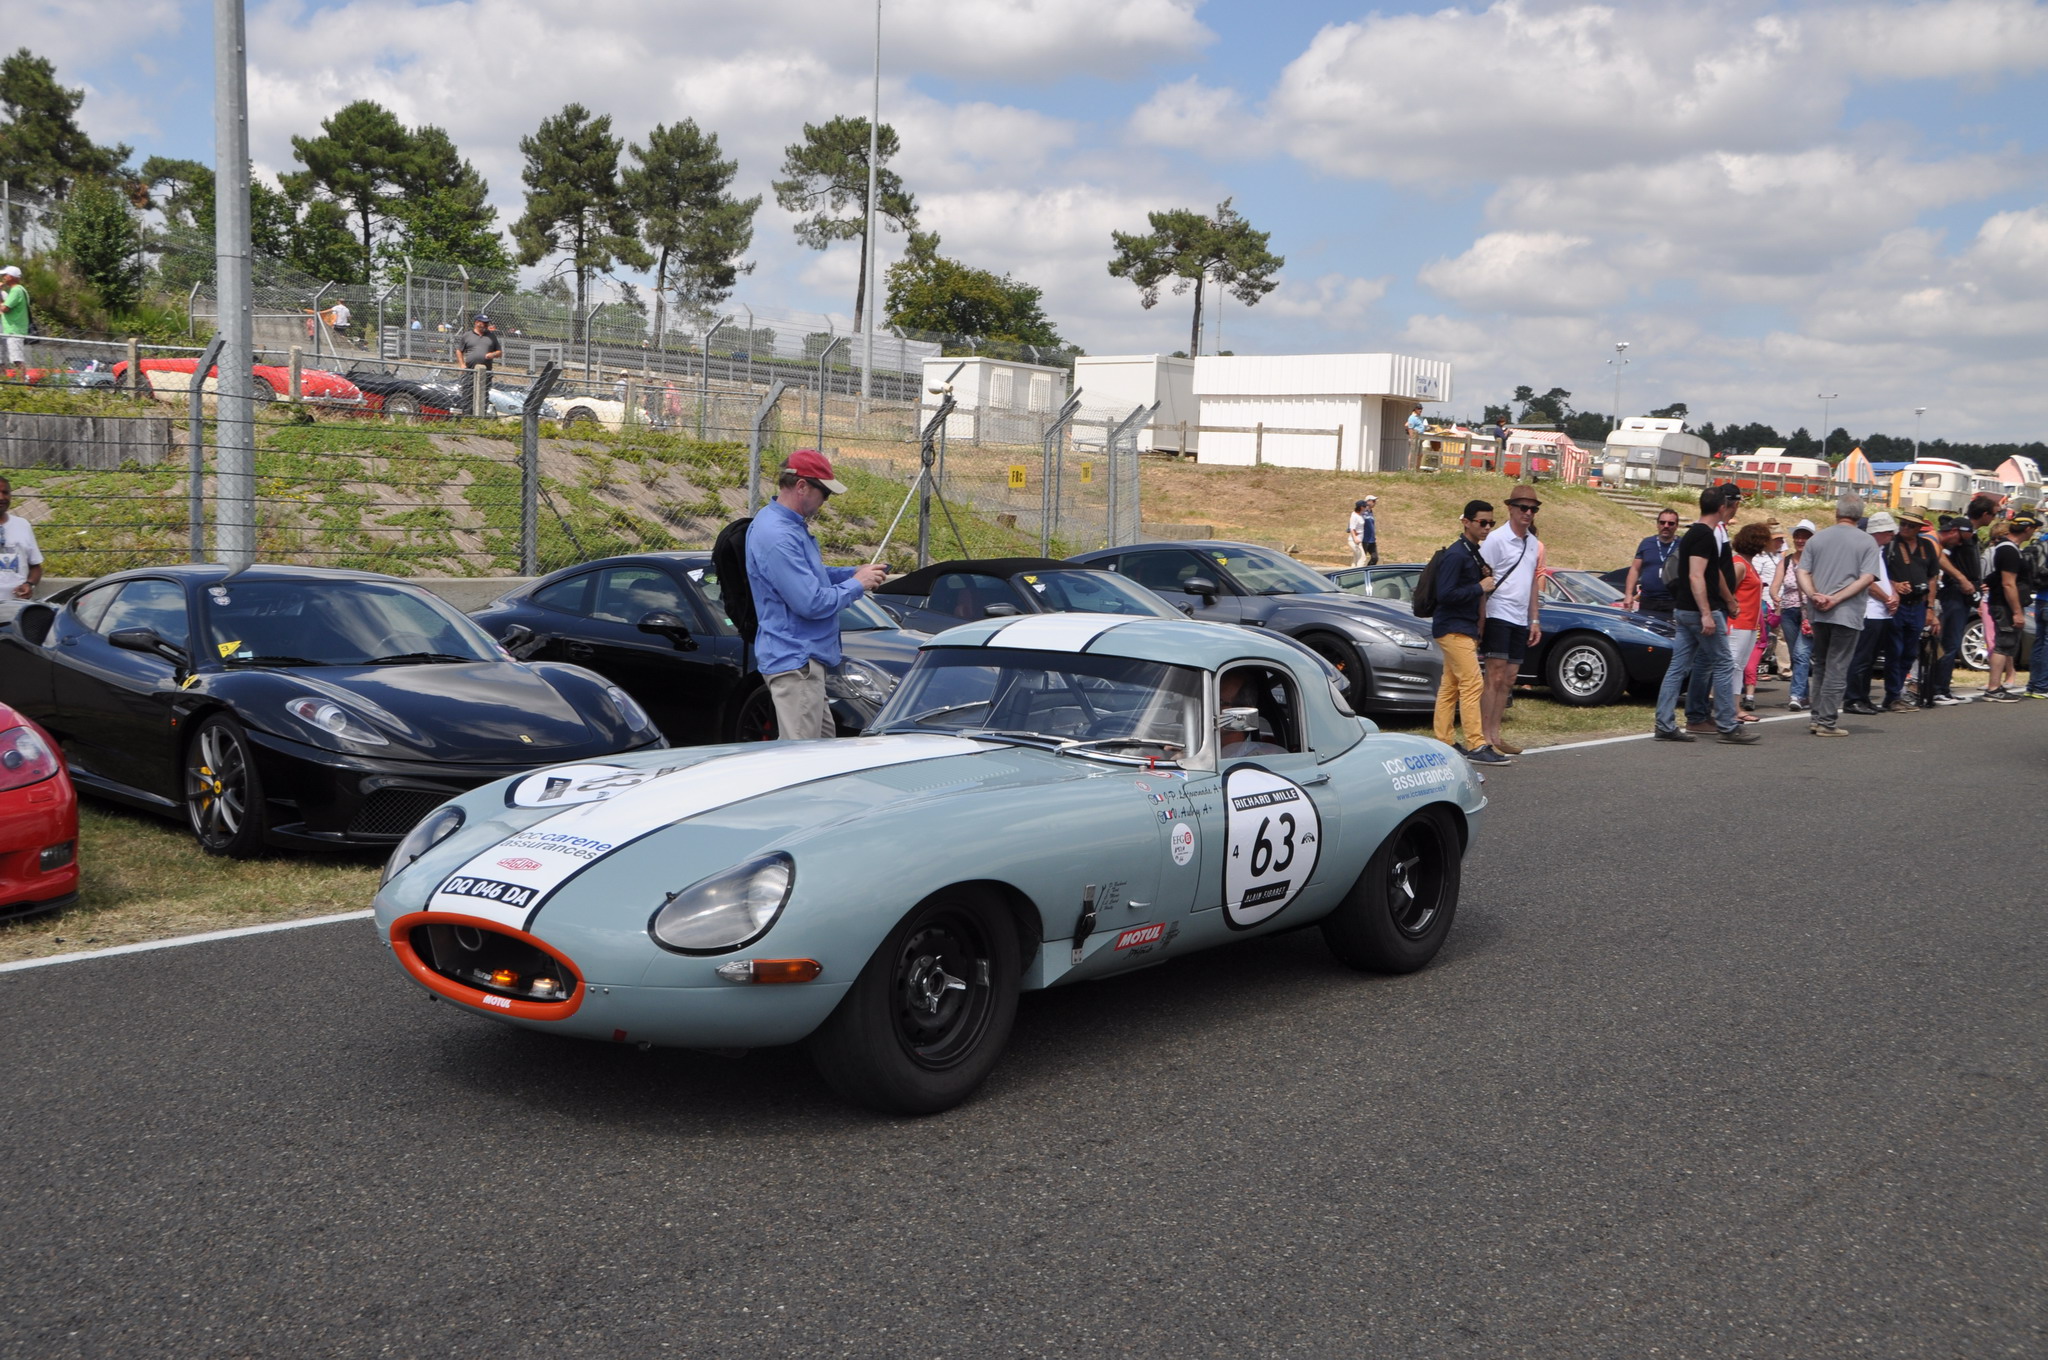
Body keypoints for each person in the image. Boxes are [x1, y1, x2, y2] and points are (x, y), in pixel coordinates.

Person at [744, 449, 887, 739]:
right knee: (802, 757)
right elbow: (810, 603)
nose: (825, 501)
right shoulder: (778, 535)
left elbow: (811, 576)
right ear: (801, 486)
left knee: (821, 750)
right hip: (796, 662)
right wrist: (857, 584)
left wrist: (852, 573)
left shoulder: (786, 527)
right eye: (825, 493)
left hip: (802, 663)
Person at [1653, 484, 1756, 743]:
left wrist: (1729, 599)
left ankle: (1664, 723)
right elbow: (1696, 576)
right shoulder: (1704, 535)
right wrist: (1706, 613)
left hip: (1685, 610)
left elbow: (1713, 572)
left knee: (1678, 667)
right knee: (1723, 663)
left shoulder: (1698, 533)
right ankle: (1727, 725)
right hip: (1698, 610)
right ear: (1722, 507)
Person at [1797, 496, 1882, 737]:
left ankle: (1816, 717)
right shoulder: (1867, 541)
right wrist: (1836, 598)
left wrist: (1814, 595)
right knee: (1837, 665)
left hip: (1818, 610)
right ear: (1860, 515)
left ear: (1837, 512)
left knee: (1821, 663)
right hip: (1847, 611)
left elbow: (1802, 571)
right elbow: (1867, 578)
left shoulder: (1818, 538)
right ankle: (1827, 721)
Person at [1430, 500, 1506, 764]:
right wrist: (1479, 587)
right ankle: (1476, 745)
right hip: (1453, 628)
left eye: (1491, 523)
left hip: (1462, 628)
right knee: (1473, 683)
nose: (1487, 528)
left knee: (1450, 687)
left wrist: (1482, 580)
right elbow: (1445, 594)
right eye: (1482, 522)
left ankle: (1444, 741)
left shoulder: (1472, 553)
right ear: (1466, 522)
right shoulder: (1457, 554)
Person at [1478, 484, 1543, 756]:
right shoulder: (1496, 539)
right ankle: (1484, 738)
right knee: (1494, 676)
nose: (1528, 513)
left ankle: (1496, 734)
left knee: (1509, 678)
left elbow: (1532, 582)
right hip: (1497, 613)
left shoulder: (1532, 542)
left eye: (1533, 509)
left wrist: (1534, 619)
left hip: (1519, 617)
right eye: (1523, 508)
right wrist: (1481, 619)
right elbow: (1482, 579)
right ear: (1510, 508)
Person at [1842, 512, 1899, 715]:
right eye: (1888, 531)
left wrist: (1893, 594)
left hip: (1880, 612)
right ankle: (1853, 698)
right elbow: (1867, 582)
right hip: (1869, 611)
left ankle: (1863, 697)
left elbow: (1882, 578)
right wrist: (1887, 598)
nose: (1892, 535)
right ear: (1879, 532)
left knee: (1870, 658)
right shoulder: (1866, 550)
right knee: (1861, 657)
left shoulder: (1879, 551)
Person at [1881, 511, 1938, 712]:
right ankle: (1892, 695)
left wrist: (1930, 607)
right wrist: (1894, 585)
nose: (1905, 528)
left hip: (1918, 605)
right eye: (1903, 524)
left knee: (1910, 652)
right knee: (1894, 651)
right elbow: (1879, 573)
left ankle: (1898, 692)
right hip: (1898, 606)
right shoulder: (1890, 545)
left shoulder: (1927, 546)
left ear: (1919, 528)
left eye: (1910, 525)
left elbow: (1932, 578)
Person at [1982, 513, 2037, 702]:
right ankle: (1994, 687)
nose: (2033, 533)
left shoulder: (2010, 548)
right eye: (2033, 529)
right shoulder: (2008, 550)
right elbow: (2008, 583)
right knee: (2003, 644)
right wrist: (2017, 612)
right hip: (2004, 605)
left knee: (2006, 644)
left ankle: (1996, 686)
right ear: (2027, 529)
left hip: (2004, 603)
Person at [1927, 515, 1980, 705]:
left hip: (1960, 594)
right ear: (1955, 531)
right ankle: (1938, 688)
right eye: (1960, 538)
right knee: (1948, 642)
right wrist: (1961, 578)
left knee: (1952, 642)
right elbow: (1940, 559)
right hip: (1952, 594)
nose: (1960, 543)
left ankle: (1942, 688)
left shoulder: (1958, 542)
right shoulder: (1938, 542)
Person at [1728, 521, 1770, 716]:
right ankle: (1728, 708)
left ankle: (1735, 708)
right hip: (1738, 623)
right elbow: (1727, 590)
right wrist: (1734, 606)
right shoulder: (1739, 565)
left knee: (1739, 667)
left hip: (1750, 624)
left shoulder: (1748, 564)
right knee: (1733, 665)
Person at [1774, 520, 1816, 710]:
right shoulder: (1786, 561)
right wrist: (1775, 596)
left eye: (1805, 537)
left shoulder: (1817, 561)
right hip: (1789, 612)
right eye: (1798, 536)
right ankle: (1804, 696)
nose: (1800, 540)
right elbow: (1776, 585)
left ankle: (1796, 695)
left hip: (1809, 612)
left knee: (1801, 653)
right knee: (1795, 654)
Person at [1622, 508, 1683, 619]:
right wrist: (1628, 594)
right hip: (1648, 600)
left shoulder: (1683, 544)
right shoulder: (1647, 543)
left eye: (1671, 523)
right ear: (1657, 524)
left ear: (1676, 526)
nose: (1666, 526)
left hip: (1673, 602)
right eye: (1662, 522)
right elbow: (1635, 569)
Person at [0, 477, 45, 618]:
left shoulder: (22, 525)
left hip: (17, 610)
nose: (1, 497)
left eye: (5, 492)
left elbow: (35, 567)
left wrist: (29, 584)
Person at [1218, 670, 1289, 758]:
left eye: (1220, 702)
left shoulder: (1260, 759)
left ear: (1243, 714)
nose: (1208, 706)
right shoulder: (1204, 749)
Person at [1, 265, 28, 377]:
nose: (3, 277)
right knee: (7, 359)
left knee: (17, 359)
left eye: (5, 275)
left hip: (14, 329)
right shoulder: (20, 290)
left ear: (11, 277)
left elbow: (4, 308)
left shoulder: (16, 290)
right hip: (11, 329)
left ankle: (22, 384)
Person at [1346, 499, 1370, 567]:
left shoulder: (1360, 515)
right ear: (1361, 507)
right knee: (1362, 558)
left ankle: (1352, 571)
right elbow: (1352, 528)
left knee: (1356, 559)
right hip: (1354, 541)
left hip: (1359, 541)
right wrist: (1355, 538)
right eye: (1365, 506)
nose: (1366, 508)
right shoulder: (1354, 516)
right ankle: (1359, 572)